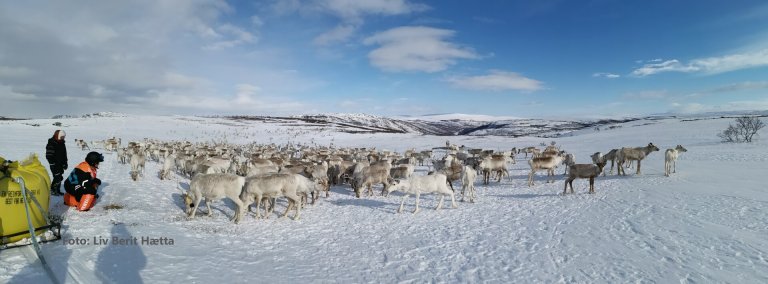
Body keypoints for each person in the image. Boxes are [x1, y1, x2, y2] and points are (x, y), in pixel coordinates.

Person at [45, 130, 68, 196]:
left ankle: (57, 190)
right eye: (61, 137)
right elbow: (49, 155)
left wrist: (65, 163)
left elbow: (64, 154)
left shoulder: (62, 143)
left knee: (60, 177)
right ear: (57, 136)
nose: (63, 138)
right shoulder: (51, 143)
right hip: (54, 164)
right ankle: (53, 190)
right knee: (57, 177)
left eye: (63, 137)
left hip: (60, 164)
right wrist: (52, 163)